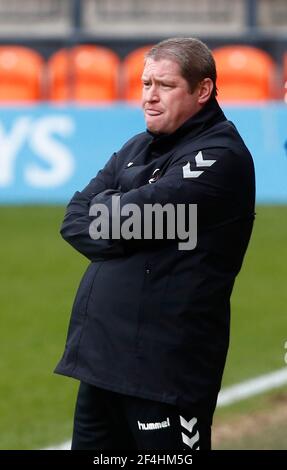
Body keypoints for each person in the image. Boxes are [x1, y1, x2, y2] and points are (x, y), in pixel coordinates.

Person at [55, 37, 255, 451]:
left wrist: (114, 210)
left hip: (165, 373)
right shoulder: (136, 146)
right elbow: (74, 219)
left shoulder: (219, 155)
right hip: (101, 364)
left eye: (164, 85)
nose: (149, 97)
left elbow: (134, 218)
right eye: (145, 84)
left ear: (202, 90)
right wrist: (125, 217)